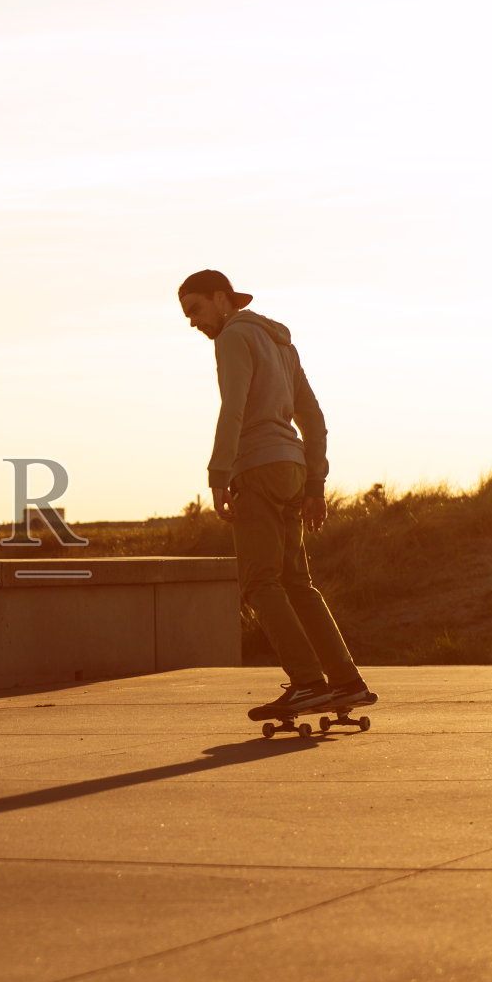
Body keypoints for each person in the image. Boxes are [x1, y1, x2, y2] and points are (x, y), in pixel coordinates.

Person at [176, 269, 374, 719]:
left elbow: (234, 407)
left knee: (259, 584)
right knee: (296, 582)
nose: (192, 322)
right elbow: (314, 418)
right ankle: (347, 683)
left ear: (223, 299)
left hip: (258, 467)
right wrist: (315, 483)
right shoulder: (281, 341)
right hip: (292, 466)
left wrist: (219, 474)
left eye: (196, 309)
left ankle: (307, 683)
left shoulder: (232, 339)